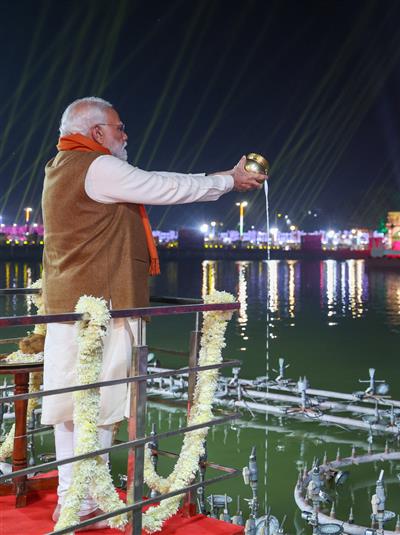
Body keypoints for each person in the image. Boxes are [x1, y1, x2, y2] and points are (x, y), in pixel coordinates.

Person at [41, 96, 266, 526]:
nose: (126, 135)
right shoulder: (98, 166)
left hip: (72, 311)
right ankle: (79, 503)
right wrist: (226, 180)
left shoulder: (59, 166)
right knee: (95, 408)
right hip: (102, 314)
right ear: (97, 133)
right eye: (119, 128)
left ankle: (76, 500)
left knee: (76, 409)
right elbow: (165, 186)